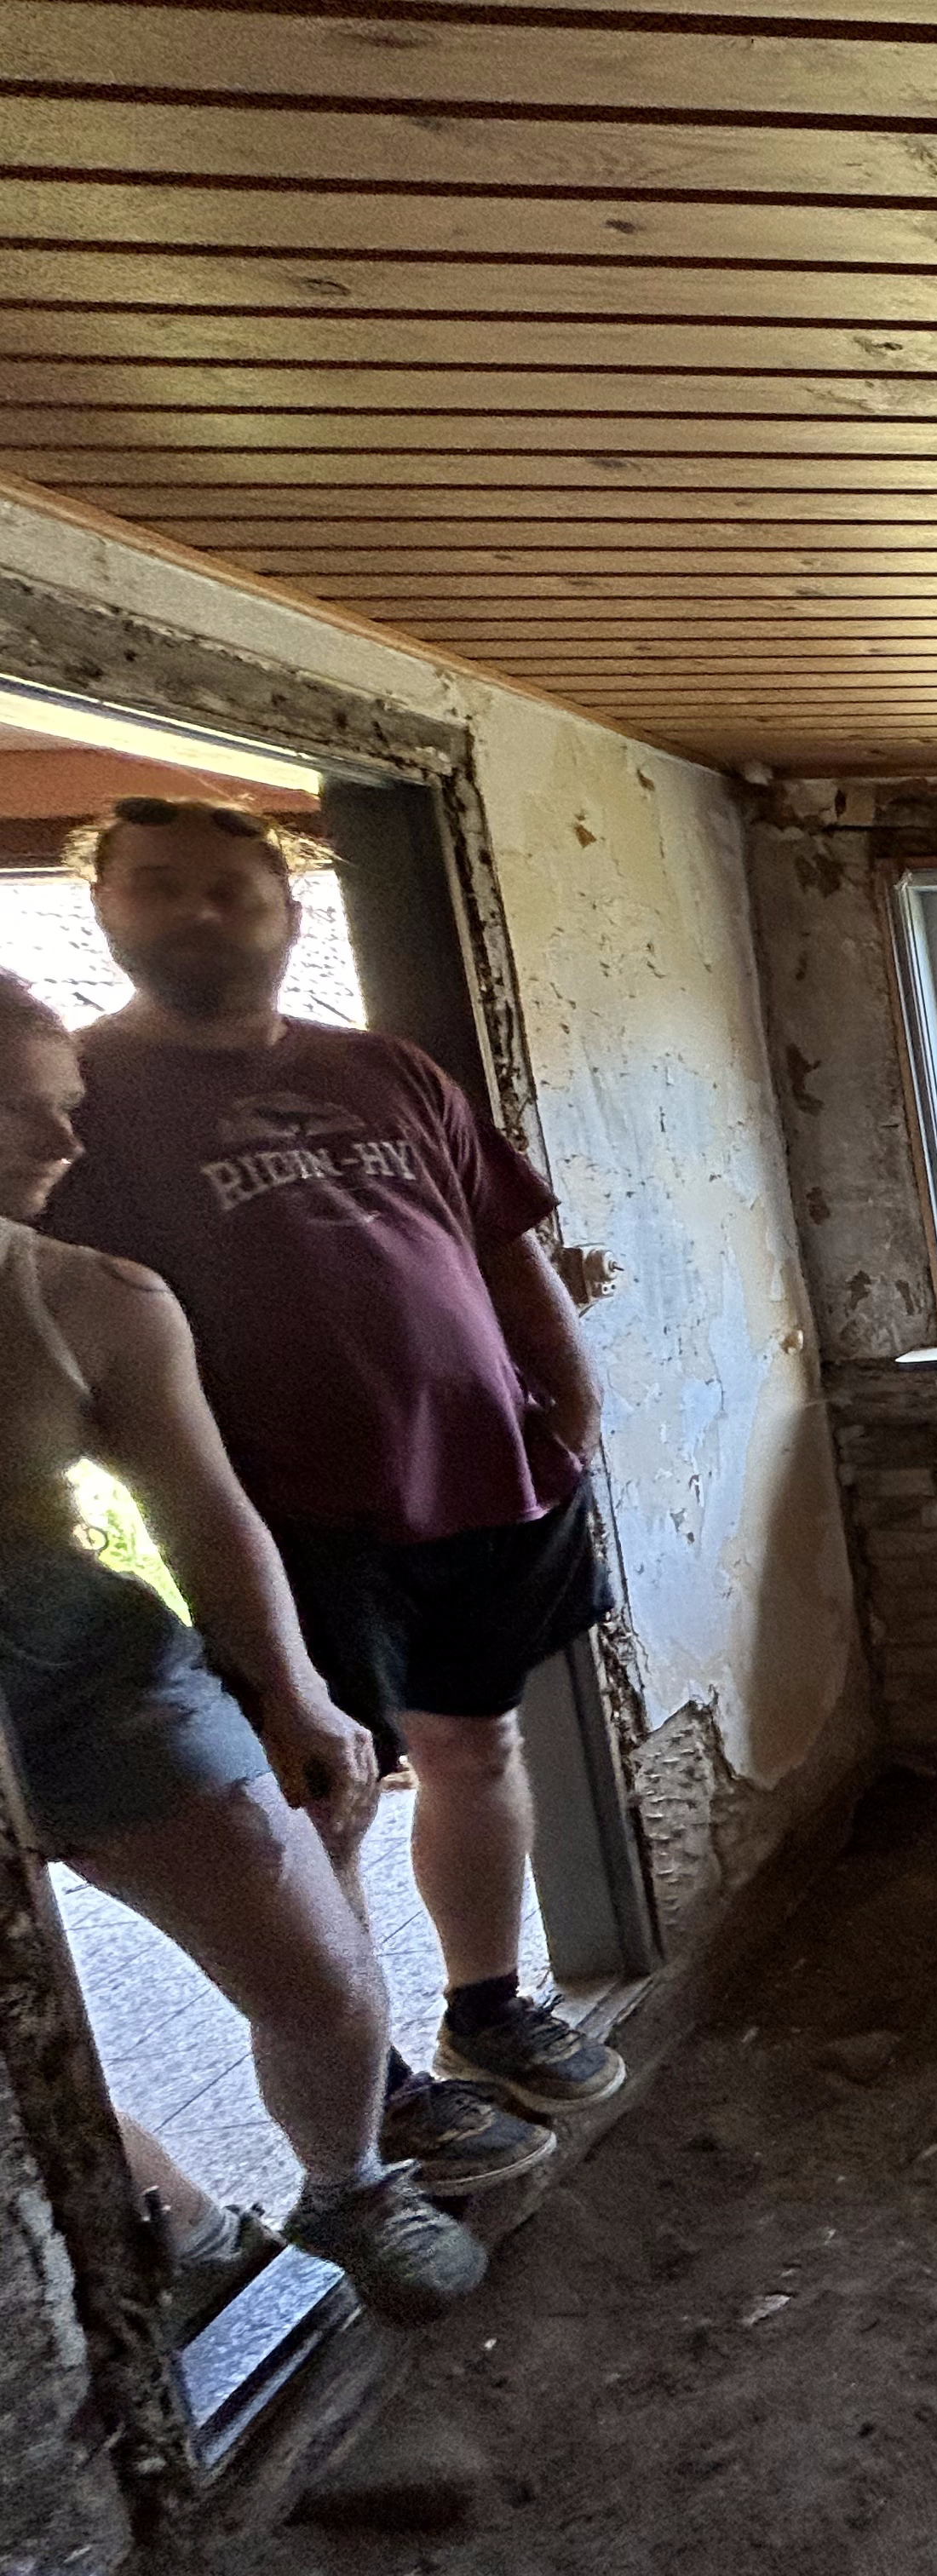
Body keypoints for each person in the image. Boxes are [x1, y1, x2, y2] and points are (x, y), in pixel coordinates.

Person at [41, 797, 624, 2182]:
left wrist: (571, 1407)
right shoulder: (80, 1098)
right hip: (285, 1515)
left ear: (287, 910)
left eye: (232, 889)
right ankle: (382, 2086)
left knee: (478, 1747)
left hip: (488, 1476)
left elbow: (501, 1244)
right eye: (159, 886)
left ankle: (487, 2009)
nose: (200, 913)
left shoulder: (386, 1071)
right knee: (326, 1801)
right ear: (107, 907)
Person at [0, 965, 485, 2321]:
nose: (65, 1140)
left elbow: (207, 1519)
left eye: (69, 1104)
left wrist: (293, 1693)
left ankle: (351, 2186)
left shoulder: (88, 1297)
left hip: (86, 1682)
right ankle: (192, 2235)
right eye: (22, 1108)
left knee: (319, 1975)